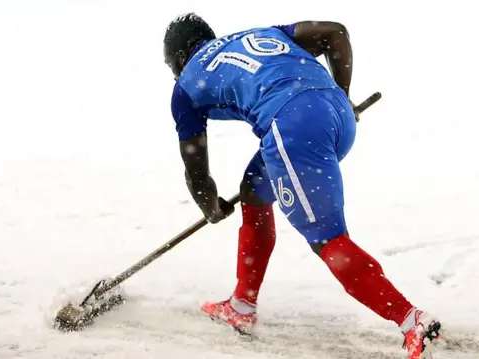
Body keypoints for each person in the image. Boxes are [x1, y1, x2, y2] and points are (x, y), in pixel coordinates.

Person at [162, 12, 442, 359]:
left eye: (170, 67)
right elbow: (335, 33)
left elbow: (195, 167)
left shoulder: (186, 85)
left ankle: (410, 320)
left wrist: (209, 208)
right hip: (335, 114)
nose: (173, 74)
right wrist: (343, 96)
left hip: (294, 125)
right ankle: (242, 304)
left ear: (178, 58)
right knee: (253, 189)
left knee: (328, 239)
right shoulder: (259, 34)